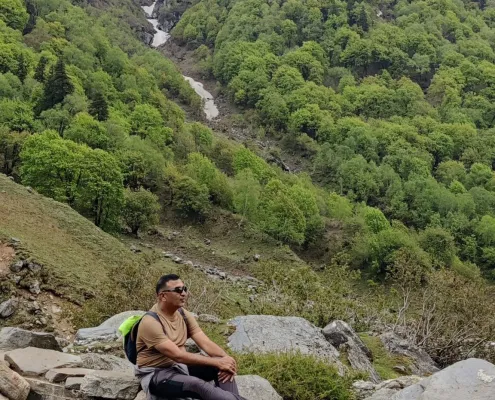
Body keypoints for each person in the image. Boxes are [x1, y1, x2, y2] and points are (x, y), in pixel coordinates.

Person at [134, 274, 247, 400]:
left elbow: (205, 342)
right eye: (178, 290)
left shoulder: (183, 314)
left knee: (221, 367)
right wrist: (218, 362)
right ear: (163, 296)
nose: (184, 293)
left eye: (184, 289)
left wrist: (226, 360)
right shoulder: (150, 322)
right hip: (156, 375)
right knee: (196, 385)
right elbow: (178, 355)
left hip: (179, 367)